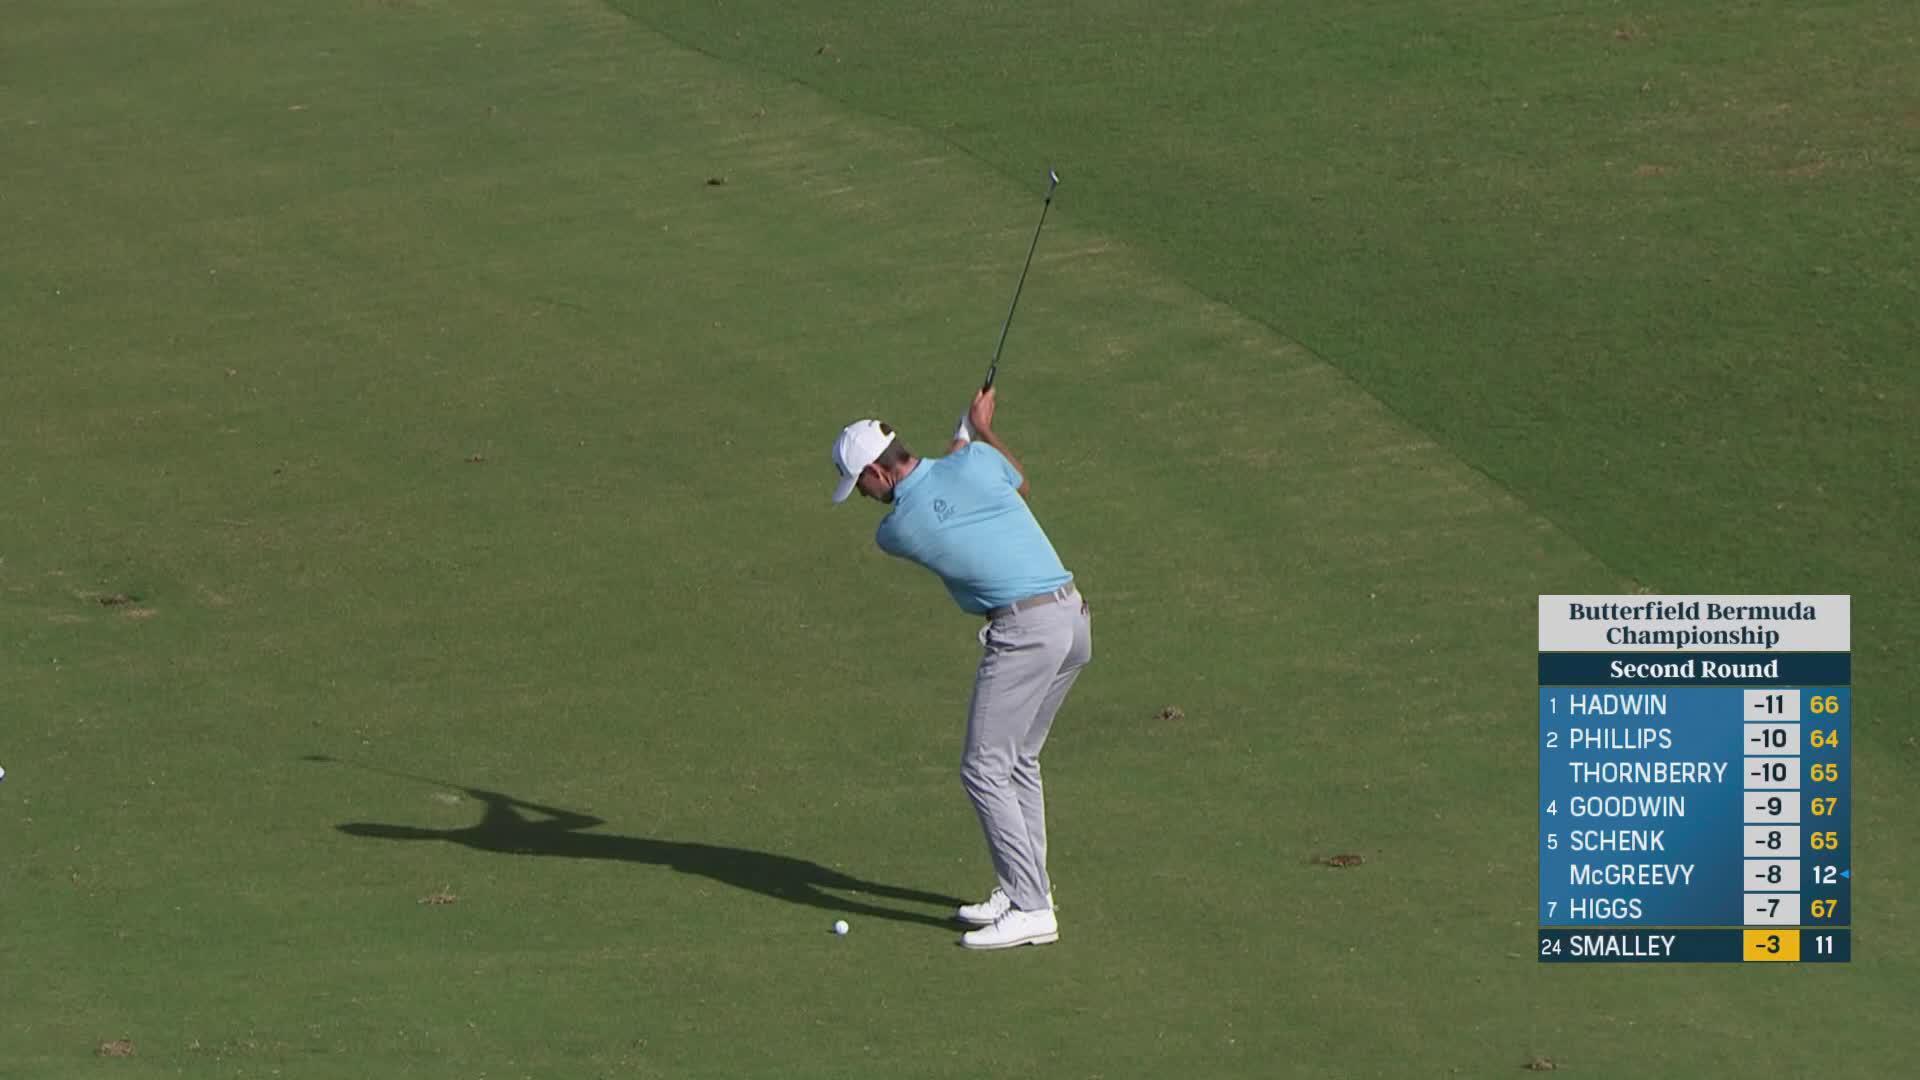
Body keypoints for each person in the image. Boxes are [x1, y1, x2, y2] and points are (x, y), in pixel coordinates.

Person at [828, 387, 1092, 950]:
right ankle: (1025, 885)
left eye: (863, 486)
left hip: (1025, 634)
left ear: (878, 471)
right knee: (1018, 759)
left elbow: (933, 492)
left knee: (982, 767)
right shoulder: (974, 462)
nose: (866, 499)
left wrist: (964, 432)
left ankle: (1032, 907)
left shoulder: (896, 531)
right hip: (1072, 620)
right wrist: (979, 429)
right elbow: (1013, 481)